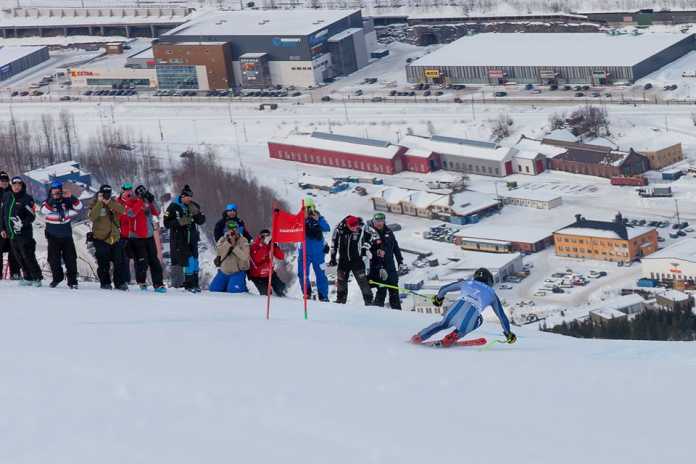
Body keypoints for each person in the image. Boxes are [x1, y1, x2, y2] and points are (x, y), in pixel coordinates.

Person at [410, 268, 517, 347]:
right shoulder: (492, 294)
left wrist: (439, 299)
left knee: (442, 324)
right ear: (489, 281)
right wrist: (508, 334)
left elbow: (444, 288)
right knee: (479, 320)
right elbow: (502, 317)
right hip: (470, 315)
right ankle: (453, 337)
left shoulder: (466, 282)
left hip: (454, 309)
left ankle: (419, 337)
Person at [120, 184, 166, 292]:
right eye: (141, 194)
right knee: (142, 261)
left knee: (154, 261)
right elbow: (131, 214)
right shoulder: (130, 202)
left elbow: (157, 212)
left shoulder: (147, 202)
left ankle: (158, 284)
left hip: (149, 236)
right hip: (136, 237)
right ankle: (141, 282)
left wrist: (152, 201)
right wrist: (140, 201)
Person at [0, 176, 42, 286]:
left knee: (28, 256)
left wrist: (22, 223)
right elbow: (3, 214)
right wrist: (2, 228)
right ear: (11, 186)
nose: (17, 187)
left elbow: (32, 216)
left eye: (19, 185)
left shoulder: (27, 198)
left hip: (24, 234)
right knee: (19, 257)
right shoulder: (7, 196)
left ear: (22, 186)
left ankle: (37, 277)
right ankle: (27, 277)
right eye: (14, 185)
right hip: (11, 234)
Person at [163, 184, 206, 292]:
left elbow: (201, 221)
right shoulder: (173, 206)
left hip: (192, 237)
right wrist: (181, 221)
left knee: (195, 261)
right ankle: (189, 285)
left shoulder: (193, 205)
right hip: (180, 239)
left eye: (190, 197)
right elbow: (166, 223)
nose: (189, 199)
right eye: (187, 197)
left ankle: (195, 285)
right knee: (189, 261)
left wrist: (197, 214)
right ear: (182, 196)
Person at [40, 180, 83, 289]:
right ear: (51, 191)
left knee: (71, 259)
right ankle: (57, 278)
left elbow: (79, 207)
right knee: (53, 260)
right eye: (54, 190)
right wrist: (53, 199)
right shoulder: (47, 202)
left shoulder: (67, 201)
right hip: (52, 236)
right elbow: (44, 211)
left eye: (58, 190)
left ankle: (72, 281)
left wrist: (71, 196)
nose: (56, 192)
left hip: (66, 236)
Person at [88, 184, 128, 290]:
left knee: (119, 262)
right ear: (100, 193)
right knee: (103, 263)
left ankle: (120, 283)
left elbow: (123, 210)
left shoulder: (113, 201)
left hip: (115, 237)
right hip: (100, 238)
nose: (106, 195)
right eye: (104, 193)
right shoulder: (94, 202)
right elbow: (91, 217)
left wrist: (109, 202)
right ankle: (105, 283)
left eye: (108, 193)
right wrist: (100, 202)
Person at [329, 215, 373, 305]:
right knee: (341, 282)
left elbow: (373, 236)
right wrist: (333, 257)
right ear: (347, 224)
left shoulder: (362, 227)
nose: (354, 228)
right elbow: (333, 243)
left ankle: (369, 302)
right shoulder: (339, 228)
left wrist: (365, 248)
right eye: (351, 227)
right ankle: (340, 301)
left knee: (363, 282)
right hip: (343, 260)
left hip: (357, 260)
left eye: (355, 226)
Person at [367, 212, 407, 310]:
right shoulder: (369, 233)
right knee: (382, 291)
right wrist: (376, 252)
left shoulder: (388, 232)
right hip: (377, 267)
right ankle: (376, 312)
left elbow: (395, 248)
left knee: (394, 290)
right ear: (373, 221)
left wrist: (400, 261)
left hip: (390, 266)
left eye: (381, 221)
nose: (379, 223)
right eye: (377, 221)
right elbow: (365, 250)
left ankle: (397, 313)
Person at [298, 197, 330, 301]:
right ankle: (307, 293)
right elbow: (291, 228)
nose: (307, 211)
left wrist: (318, 219)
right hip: (304, 252)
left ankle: (323, 296)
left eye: (309, 208)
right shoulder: (300, 219)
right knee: (302, 274)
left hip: (318, 253)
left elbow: (327, 228)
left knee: (321, 275)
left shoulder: (319, 218)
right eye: (305, 209)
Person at [209, 221, 250, 293]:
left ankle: (240, 286)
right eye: (230, 228)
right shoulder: (222, 239)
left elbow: (245, 257)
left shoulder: (243, 240)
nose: (232, 231)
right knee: (214, 289)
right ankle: (227, 285)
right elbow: (219, 253)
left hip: (237, 272)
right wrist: (228, 243)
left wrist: (234, 247)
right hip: (223, 272)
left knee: (234, 291)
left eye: (234, 228)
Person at [248, 229, 286, 297]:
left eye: (267, 236)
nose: (265, 238)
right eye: (263, 236)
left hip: (269, 273)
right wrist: (264, 246)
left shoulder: (269, 245)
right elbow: (257, 259)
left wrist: (274, 246)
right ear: (260, 236)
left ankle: (283, 299)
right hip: (258, 275)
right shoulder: (254, 245)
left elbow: (281, 256)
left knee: (281, 288)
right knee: (266, 294)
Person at [0, 171, 20, 280]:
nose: (4, 182)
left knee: (14, 251)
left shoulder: (12, 192)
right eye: (2, 180)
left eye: (6, 180)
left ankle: (15, 273)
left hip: (11, 227)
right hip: (1, 228)